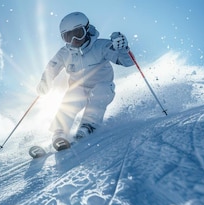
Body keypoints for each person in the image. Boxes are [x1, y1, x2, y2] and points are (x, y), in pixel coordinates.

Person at [36, 11, 134, 151]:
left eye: (78, 33)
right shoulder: (65, 53)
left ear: (86, 30)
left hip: (103, 86)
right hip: (80, 88)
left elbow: (128, 62)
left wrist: (123, 49)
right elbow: (52, 68)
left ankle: (88, 125)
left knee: (100, 91)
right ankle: (60, 132)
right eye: (68, 36)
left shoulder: (101, 46)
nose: (74, 39)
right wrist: (45, 82)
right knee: (72, 95)